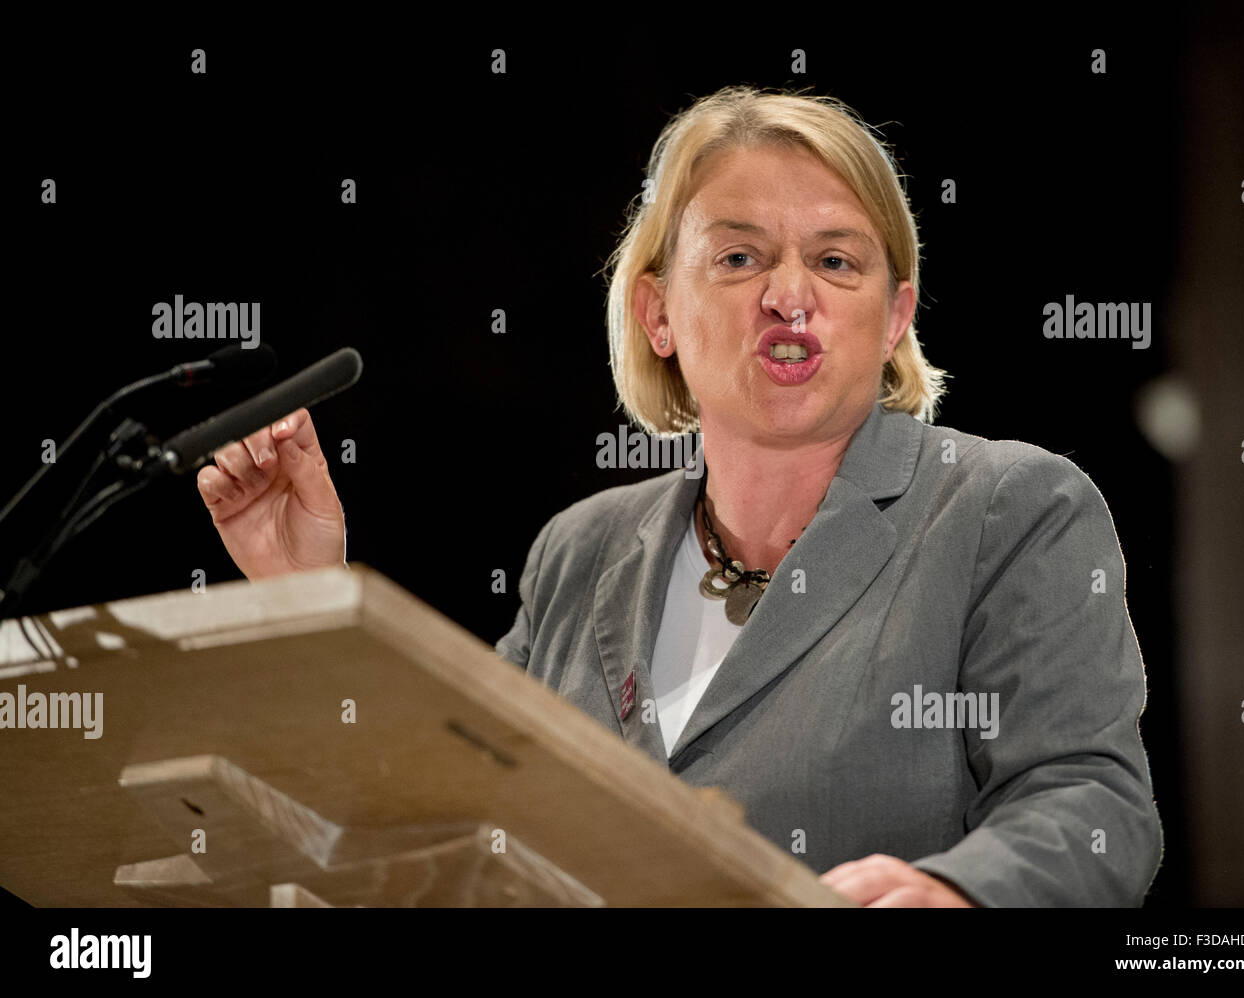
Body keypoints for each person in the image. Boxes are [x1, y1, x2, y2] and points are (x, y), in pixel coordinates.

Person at [198, 85, 1163, 908]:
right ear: (659, 312)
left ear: (894, 316)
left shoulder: (1009, 509)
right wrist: (307, 592)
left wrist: (959, 891)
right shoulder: (580, 552)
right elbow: (445, 814)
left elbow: (1092, 801)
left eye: (836, 261)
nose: (791, 296)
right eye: (739, 258)